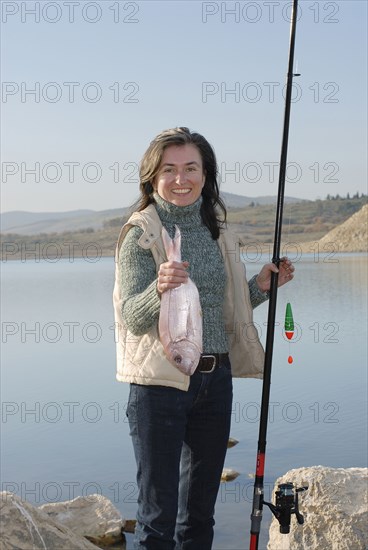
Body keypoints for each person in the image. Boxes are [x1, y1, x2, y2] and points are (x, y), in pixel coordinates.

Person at [112, 127, 295, 550]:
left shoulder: (216, 230)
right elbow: (133, 319)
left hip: (215, 380)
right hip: (160, 387)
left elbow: (219, 310)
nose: (181, 179)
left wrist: (261, 288)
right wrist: (158, 289)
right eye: (169, 170)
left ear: (205, 174)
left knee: (199, 518)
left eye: (191, 168)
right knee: (157, 521)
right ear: (152, 178)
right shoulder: (140, 234)